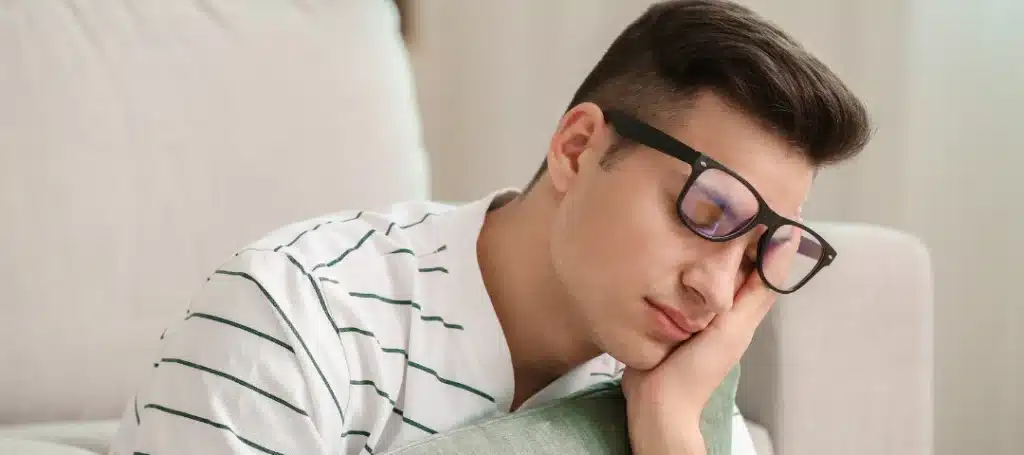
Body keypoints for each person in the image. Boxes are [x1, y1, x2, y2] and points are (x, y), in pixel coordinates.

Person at [109, 1, 871, 454]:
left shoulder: (681, 396)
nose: (712, 287)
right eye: (707, 211)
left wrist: (670, 428)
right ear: (577, 149)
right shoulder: (292, 316)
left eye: (758, 252)